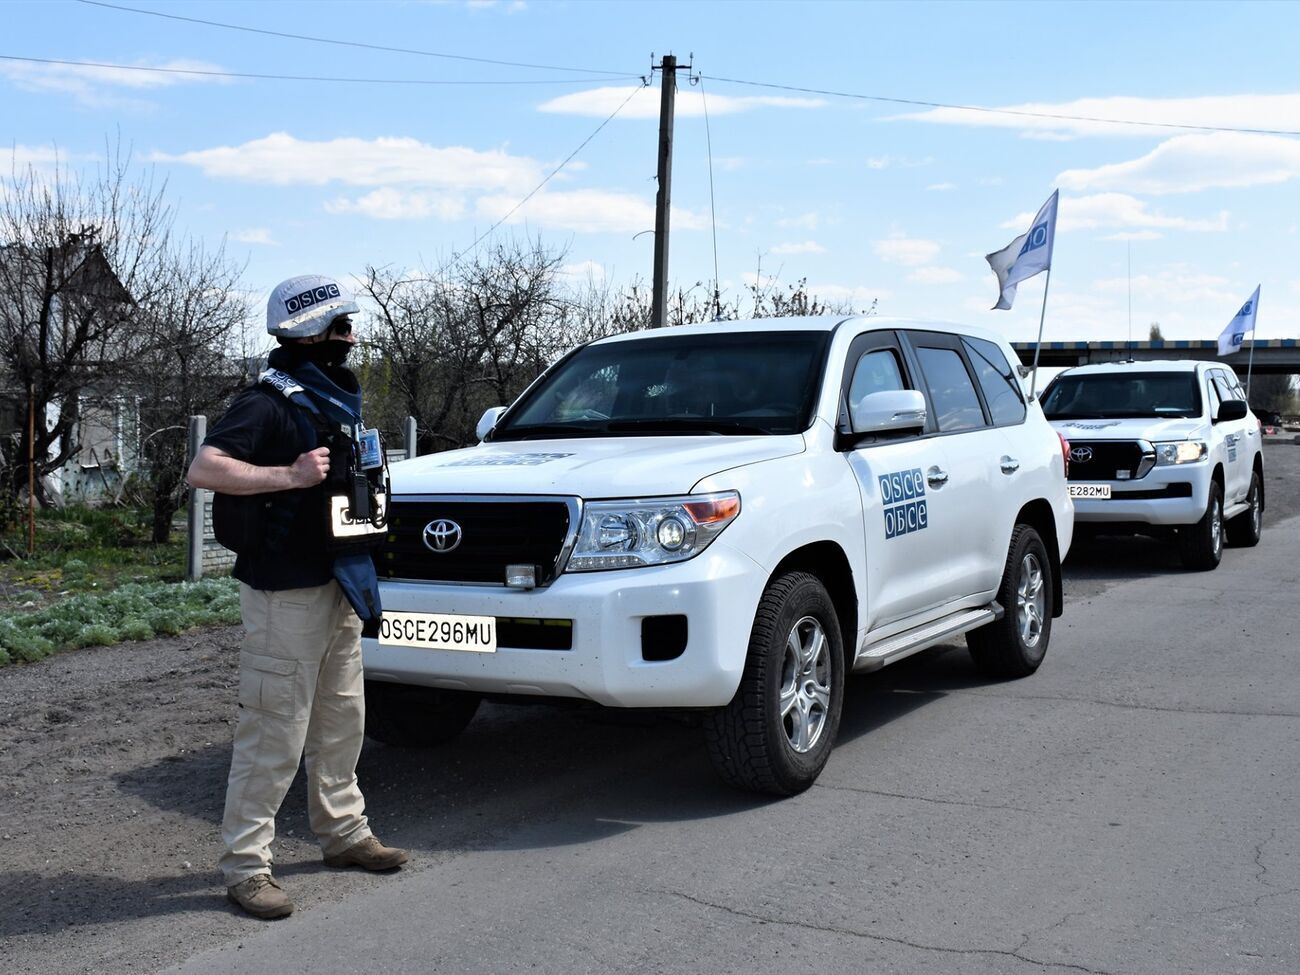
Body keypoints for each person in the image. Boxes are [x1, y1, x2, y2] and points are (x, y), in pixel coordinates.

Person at [188, 274, 406, 920]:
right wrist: (288, 474)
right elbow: (204, 467)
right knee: (274, 731)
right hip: (284, 593)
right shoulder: (268, 401)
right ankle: (246, 867)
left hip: (338, 581)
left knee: (342, 719)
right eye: (342, 327)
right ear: (309, 331)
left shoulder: (333, 397)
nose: (352, 337)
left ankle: (343, 833)